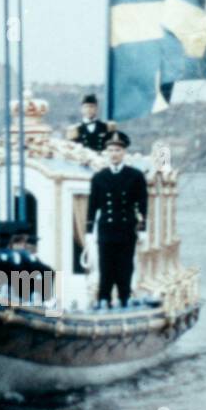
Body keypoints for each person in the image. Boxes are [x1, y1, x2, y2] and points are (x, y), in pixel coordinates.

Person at [85, 130, 148, 307]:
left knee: (125, 267)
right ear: (106, 153)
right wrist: (89, 231)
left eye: (118, 150)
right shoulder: (99, 177)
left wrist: (143, 228)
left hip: (126, 228)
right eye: (111, 150)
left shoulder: (135, 176)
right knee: (106, 267)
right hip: (106, 229)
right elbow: (92, 206)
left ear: (124, 153)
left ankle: (124, 298)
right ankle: (103, 299)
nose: (114, 154)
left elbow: (142, 204)